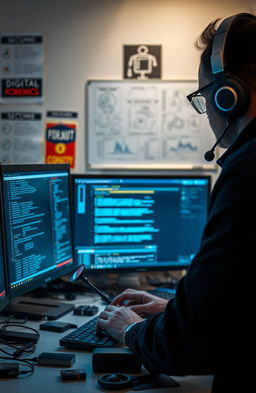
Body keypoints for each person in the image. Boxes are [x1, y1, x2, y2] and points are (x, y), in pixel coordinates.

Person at [97, 12, 256, 393]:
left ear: (227, 94)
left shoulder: (248, 172)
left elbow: (184, 348)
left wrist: (131, 328)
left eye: (204, 96)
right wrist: (174, 310)